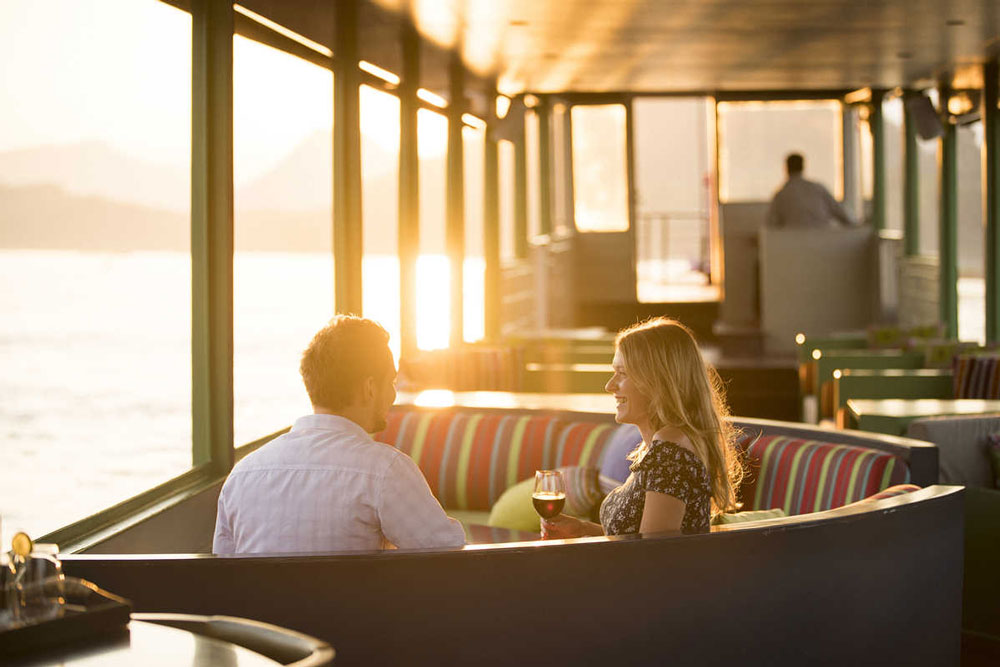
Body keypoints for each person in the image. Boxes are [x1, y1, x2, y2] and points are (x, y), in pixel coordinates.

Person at [213, 315, 465, 554]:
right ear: (369, 388)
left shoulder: (242, 475)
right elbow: (450, 559)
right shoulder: (385, 470)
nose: (393, 394)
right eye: (390, 382)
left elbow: (224, 572)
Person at [541, 317, 743, 538]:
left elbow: (651, 553)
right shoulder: (664, 446)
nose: (610, 386)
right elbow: (637, 541)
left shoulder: (670, 452)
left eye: (622, 373)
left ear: (657, 381)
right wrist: (582, 530)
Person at [766, 153, 857, 228]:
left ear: (786, 168)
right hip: (823, 238)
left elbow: (771, 225)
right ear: (803, 167)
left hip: (794, 241)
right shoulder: (818, 188)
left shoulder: (781, 195)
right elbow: (841, 214)